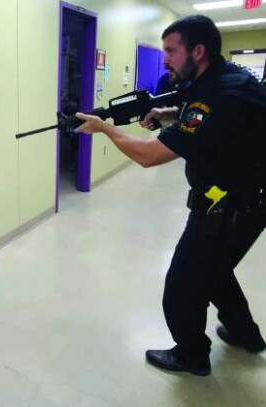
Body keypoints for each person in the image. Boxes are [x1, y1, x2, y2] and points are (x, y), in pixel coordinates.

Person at [75, 15, 266, 376]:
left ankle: (192, 356)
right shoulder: (226, 79)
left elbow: (149, 156)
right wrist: (167, 114)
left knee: (182, 286)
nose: (165, 59)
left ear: (198, 50)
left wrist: (103, 128)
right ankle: (247, 335)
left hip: (229, 206)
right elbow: (208, 119)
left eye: (170, 51)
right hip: (249, 198)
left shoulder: (215, 95)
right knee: (216, 270)